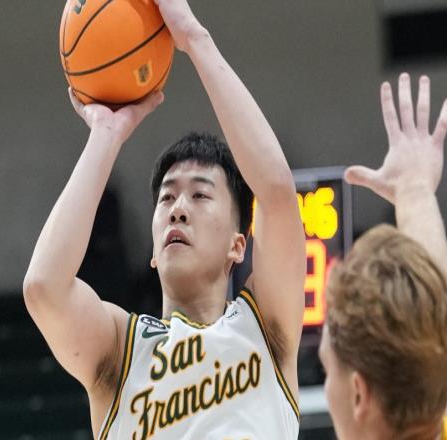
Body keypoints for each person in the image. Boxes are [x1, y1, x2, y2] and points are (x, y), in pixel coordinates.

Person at [23, 0, 306, 439]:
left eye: (200, 195)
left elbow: (277, 193)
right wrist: (106, 136)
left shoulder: (264, 329)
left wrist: (195, 38)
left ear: (238, 244)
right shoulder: (121, 350)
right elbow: (44, 288)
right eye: (167, 197)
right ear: (153, 252)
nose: (178, 208)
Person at [319, 73, 447, 439]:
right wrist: (414, 189)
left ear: (358, 394)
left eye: (328, 371)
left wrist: (414, 188)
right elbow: (435, 323)